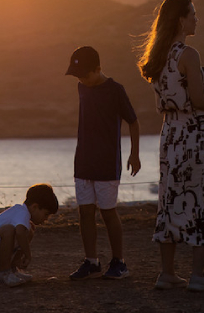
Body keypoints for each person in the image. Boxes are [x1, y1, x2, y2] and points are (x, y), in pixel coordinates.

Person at [138, 0, 204, 292]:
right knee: (202, 199)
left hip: (170, 136)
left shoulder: (158, 58)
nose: (196, 19)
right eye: (193, 14)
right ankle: (198, 274)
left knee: (170, 201)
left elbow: (173, 94)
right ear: (180, 20)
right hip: (194, 136)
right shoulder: (188, 54)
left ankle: (167, 273)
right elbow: (199, 100)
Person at [64, 46, 141, 281]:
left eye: (85, 75)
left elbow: (133, 121)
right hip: (83, 161)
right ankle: (91, 261)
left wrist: (134, 154)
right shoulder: (81, 87)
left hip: (107, 162)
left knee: (108, 213)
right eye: (78, 76)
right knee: (85, 212)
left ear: (98, 69)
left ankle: (119, 262)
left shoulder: (115, 90)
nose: (81, 80)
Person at [0, 183, 58, 287]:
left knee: (29, 228)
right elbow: (20, 233)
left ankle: (12, 271)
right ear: (35, 207)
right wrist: (28, 255)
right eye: (46, 214)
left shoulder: (22, 214)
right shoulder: (22, 212)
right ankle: (5, 274)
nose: (46, 219)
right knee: (9, 230)